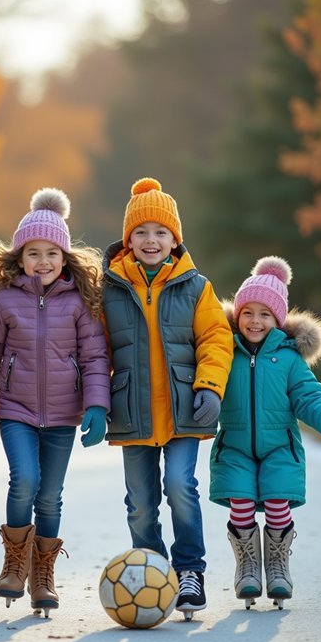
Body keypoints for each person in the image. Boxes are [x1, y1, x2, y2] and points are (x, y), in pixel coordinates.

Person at [0, 187, 110, 617]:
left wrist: (98, 407)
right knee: (24, 479)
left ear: (65, 258)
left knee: (50, 496)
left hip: (65, 413)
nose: (43, 261)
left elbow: (95, 356)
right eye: (33, 252)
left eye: (52, 252)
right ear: (19, 257)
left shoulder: (79, 304)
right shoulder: (4, 301)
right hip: (16, 409)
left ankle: (42, 574)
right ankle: (14, 564)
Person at [101, 177, 234, 619]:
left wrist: (210, 387)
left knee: (180, 486)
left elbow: (216, 337)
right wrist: (97, 399)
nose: (151, 240)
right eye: (141, 232)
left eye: (161, 233)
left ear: (175, 239)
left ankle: (190, 569)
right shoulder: (111, 290)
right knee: (140, 502)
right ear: (128, 240)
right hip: (133, 411)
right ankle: (153, 567)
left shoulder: (196, 287)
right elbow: (95, 348)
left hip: (184, 409)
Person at [209, 256, 321, 609]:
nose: (255, 321)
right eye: (248, 312)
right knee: (240, 503)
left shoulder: (289, 359)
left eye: (264, 314)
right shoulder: (225, 352)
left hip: (280, 448)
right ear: (237, 314)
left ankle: (276, 564)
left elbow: (308, 396)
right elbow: (207, 384)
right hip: (235, 446)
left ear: (278, 320)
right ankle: (247, 566)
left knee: (277, 503)